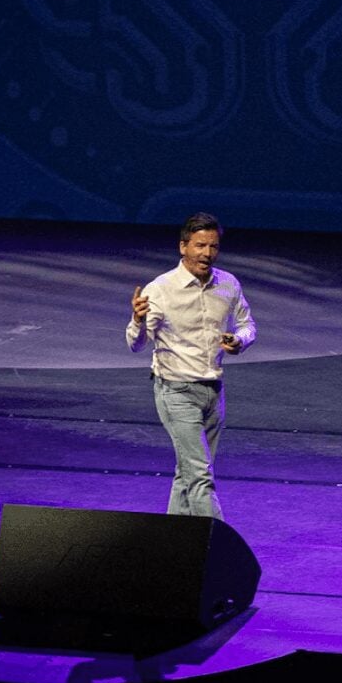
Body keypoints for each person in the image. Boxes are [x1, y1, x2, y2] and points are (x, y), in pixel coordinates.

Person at [126, 212, 256, 520]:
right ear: (183, 247)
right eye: (200, 246)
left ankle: (172, 545)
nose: (207, 254)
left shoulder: (228, 284)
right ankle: (216, 548)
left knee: (188, 472)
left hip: (213, 392)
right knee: (200, 476)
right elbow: (136, 344)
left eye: (213, 246)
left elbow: (248, 324)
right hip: (176, 392)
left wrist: (239, 341)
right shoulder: (160, 289)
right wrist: (138, 320)